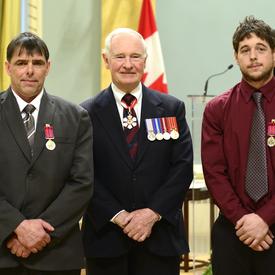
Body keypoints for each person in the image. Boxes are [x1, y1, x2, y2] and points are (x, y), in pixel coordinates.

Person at [81, 28, 193, 275]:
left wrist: (151, 214)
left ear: (145, 60)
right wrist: (119, 216)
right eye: (120, 56)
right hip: (106, 240)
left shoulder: (172, 109)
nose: (128, 64)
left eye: (135, 56)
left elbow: (182, 168)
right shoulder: (85, 114)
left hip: (160, 238)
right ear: (106, 60)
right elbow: (83, 174)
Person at [0, 32, 93, 275]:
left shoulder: (76, 117)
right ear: (8, 67)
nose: (29, 71)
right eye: (21, 63)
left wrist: (39, 233)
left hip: (57, 253)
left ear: (48, 67)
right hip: (3, 250)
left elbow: (82, 182)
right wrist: (15, 227)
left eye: (37, 63)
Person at [201, 16, 275, 275]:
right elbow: (214, 172)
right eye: (245, 50)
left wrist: (264, 217)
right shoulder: (217, 109)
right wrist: (245, 220)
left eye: (261, 48)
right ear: (236, 57)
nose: (253, 56)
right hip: (234, 229)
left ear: (274, 54)